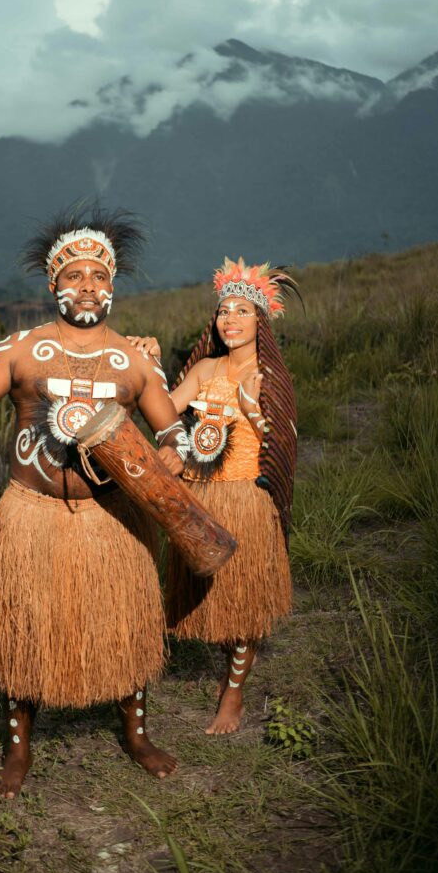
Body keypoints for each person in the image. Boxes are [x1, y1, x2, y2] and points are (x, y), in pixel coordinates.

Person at [0, 208, 188, 795]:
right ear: (55, 286)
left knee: (123, 627)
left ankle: (136, 734)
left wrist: (174, 454)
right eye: (74, 276)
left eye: (98, 276)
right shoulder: (20, 349)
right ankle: (19, 751)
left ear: (112, 286)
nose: (87, 286)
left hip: (115, 521)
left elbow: (172, 432)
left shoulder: (134, 359)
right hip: (33, 517)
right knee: (26, 630)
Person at [131, 258, 298, 734]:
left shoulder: (268, 376)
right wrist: (149, 366)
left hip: (245, 497)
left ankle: (234, 694)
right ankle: (232, 669)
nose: (230, 319)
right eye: (224, 310)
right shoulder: (205, 368)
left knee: (243, 603)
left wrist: (250, 408)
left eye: (242, 310)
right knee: (214, 599)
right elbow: (164, 412)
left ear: (260, 319)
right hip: (201, 496)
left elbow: (279, 442)